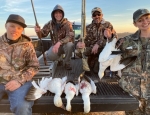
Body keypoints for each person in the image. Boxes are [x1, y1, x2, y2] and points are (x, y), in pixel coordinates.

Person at [0, 14, 39, 115]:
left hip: (20, 82)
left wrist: (19, 80)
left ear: (22, 30)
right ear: (6, 26)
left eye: (19, 28)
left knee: (22, 107)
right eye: (12, 26)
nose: (15, 30)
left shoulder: (27, 45)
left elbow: (34, 66)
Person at [118, 8, 150, 115]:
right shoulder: (126, 41)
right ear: (135, 24)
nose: (145, 22)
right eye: (140, 20)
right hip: (133, 91)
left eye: (147, 18)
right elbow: (108, 53)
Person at [76, 7, 116, 74]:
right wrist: (79, 43)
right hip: (92, 50)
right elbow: (81, 39)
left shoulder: (108, 25)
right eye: (94, 15)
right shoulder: (88, 27)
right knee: (78, 51)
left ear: (102, 15)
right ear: (92, 17)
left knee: (96, 71)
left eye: (98, 14)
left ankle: (96, 62)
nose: (96, 16)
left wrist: (109, 36)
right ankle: (86, 69)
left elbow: (115, 37)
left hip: (103, 51)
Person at [35, 4, 74, 70]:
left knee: (69, 45)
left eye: (60, 12)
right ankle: (59, 60)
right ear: (53, 14)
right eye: (56, 13)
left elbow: (69, 37)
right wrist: (38, 31)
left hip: (65, 45)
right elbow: (43, 34)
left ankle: (67, 63)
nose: (58, 14)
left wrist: (59, 43)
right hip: (55, 47)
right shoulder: (50, 23)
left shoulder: (68, 23)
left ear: (63, 14)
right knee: (50, 56)